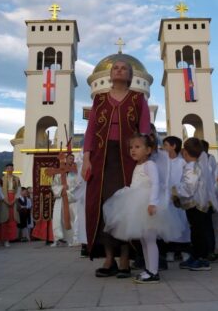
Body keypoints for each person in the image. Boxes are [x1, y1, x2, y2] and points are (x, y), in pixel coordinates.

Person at [81, 59, 150, 278]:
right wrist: (86, 158)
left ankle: (125, 259)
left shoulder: (138, 99)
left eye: (124, 68)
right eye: (115, 68)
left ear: (130, 75)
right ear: (110, 74)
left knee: (126, 206)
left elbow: (144, 130)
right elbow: (91, 131)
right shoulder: (100, 99)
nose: (119, 70)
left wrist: (144, 159)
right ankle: (109, 258)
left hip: (128, 160)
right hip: (101, 159)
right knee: (102, 206)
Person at [103, 134, 182, 284]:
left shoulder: (150, 165)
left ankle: (153, 272)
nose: (133, 150)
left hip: (147, 205)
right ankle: (149, 269)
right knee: (145, 240)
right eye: (131, 147)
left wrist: (153, 203)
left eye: (137, 147)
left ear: (148, 150)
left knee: (150, 240)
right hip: (138, 205)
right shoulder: (138, 165)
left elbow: (156, 184)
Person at [173, 137, 218, 271]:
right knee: (197, 231)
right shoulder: (200, 165)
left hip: (195, 205)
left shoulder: (191, 167)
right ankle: (196, 256)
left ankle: (201, 259)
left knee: (198, 232)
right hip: (200, 204)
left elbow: (189, 188)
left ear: (185, 152)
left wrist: (175, 191)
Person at [161, 136, 190, 262]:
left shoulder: (182, 162)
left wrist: (178, 192)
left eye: (166, 145)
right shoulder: (163, 162)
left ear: (174, 146)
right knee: (168, 224)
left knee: (182, 223)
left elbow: (185, 179)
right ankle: (170, 251)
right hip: (166, 198)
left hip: (179, 198)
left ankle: (184, 250)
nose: (163, 148)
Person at [51, 154, 80, 247]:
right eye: (70, 158)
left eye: (73, 159)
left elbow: (78, 186)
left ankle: (74, 239)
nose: (72, 160)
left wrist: (68, 192)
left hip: (71, 199)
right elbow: (54, 185)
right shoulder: (59, 172)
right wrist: (62, 189)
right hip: (61, 198)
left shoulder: (75, 173)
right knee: (58, 218)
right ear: (66, 159)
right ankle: (59, 238)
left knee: (73, 218)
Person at [0, 163, 21, 247]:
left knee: (12, 219)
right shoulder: (1, 179)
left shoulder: (17, 179)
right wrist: (5, 200)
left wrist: (14, 200)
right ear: (5, 169)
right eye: (8, 168)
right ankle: (0, 239)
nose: (10, 169)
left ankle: (8, 239)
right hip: (4, 200)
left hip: (13, 198)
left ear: (13, 169)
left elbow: (19, 190)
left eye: (11, 168)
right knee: (3, 220)